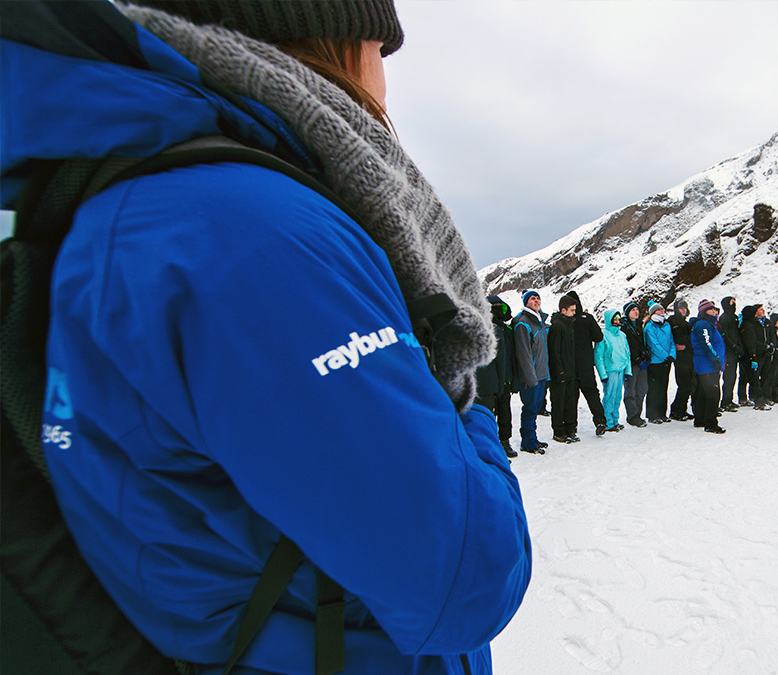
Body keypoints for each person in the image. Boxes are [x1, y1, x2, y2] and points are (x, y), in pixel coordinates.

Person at [7, 1, 532, 672]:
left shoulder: (161, 207)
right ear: (330, 36)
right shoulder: (250, 234)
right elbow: (463, 580)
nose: (384, 78)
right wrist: (470, 419)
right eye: (379, 45)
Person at [477, 295, 519, 457]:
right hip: (491, 381)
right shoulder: (485, 329)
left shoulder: (508, 330)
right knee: (489, 413)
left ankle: (505, 441)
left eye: (498, 306)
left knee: (505, 411)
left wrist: (514, 379)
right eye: (492, 306)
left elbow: (513, 357)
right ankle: (491, 443)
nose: (496, 308)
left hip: (506, 377)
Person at [567, 291, 609, 436]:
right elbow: (598, 336)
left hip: (570, 364)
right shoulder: (587, 318)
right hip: (585, 363)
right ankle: (600, 421)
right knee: (592, 393)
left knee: (572, 396)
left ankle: (571, 428)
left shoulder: (564, 320)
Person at [514, 291, 551, 453]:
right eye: (532, 298)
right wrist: (530, 377)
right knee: (529, 408)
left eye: (538, 298)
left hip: (541, 374)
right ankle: (528, 443)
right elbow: (524, 354)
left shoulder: (539, 322)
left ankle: (532, 438)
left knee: (535, 408)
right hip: (531, 377)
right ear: (526, 303)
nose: (536, 300)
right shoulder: (523, 323)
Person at [548, 295, 582, 444]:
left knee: (570, 401)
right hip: (560, 373)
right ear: (563, 310)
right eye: (572, 310)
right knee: (559, 402)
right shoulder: (557, 326)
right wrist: (559, 371)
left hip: (570, 371)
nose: (574, 313)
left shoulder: (569, 325)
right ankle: (559, 431)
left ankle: (571, 429)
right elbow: (554, 351)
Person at [690, 300, 727, 433]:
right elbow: (706, 344)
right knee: (713, 394)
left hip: (708, 364)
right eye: (711, 309)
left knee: (703, 393)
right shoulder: (703, 324)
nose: (715, 311)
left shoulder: (709, 324)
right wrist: (715, 359)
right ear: (704, 312)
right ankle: (711, 423)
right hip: (707, 365)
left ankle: (700, 419)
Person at [595, 309, 632, 432]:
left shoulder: (622, 335)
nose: (617, 321)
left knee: (617, 396)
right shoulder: (603, 334)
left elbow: (627, 354)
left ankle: (615, 420)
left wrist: (628, 370)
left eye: (618, 319)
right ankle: (608, 422)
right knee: (609, 396)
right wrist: (603, 374)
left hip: (620, 369)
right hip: (610, 370)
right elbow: (598, 356)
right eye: (614, 319)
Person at [644, 302, 675, 423]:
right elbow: (653, 344)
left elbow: (672, 341)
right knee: (654, 388)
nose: (662, 311)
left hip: (666, 361)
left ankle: (662, 413)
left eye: (662, 309)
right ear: (653, 313)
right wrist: (665, 356)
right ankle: (652, 415)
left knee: (663, 387)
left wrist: (672, 355)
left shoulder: (666, 325)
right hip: (655, 361)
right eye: (658, 310)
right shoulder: (649, 327)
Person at [621, 302, 650, 427]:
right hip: (631, 363)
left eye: (637, 309)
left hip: (641, 362)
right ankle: (632, 416)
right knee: (630, 390)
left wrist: (646, 355)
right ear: (627, 313)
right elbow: (626, 346)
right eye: (633, 310)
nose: (636, 311)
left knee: (642, 389)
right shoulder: (623, 326)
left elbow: (643, 343)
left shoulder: (640, 325)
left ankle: (638, 413)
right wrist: (636, 358)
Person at [668, 299, 695, 421]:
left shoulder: (686, 323)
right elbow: (679, 338)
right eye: (681, 308)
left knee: (688, 385)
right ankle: (676, 410)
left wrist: (688, 342)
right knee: (684, 385)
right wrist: (690, 341)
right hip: (681, 359)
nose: (683, 310)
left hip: (688, 357)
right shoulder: (673, 321)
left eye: (685, 308)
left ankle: (682, 409)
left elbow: (688, 340)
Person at [739, 304, 769, 408]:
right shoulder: (748, 326)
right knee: (754, 379)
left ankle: (745, 398)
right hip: (749, 355)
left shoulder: (747, 324)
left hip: (747, 355)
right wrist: (753, 357)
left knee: (749, 378)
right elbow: (750, 343)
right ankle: (759, 402)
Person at [717, 296, 743, 411]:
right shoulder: (724, 318)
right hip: (728, 351)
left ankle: (730, 399)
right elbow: (725, 335)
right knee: (728, 377)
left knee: (733, 376)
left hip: (735, 351)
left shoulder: (734, 317)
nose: (734, 305)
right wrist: (733, 346)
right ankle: (725, 401)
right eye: (731, 303)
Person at [763, 313, 778, 403]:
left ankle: (776, 394)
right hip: (774, 357)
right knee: (771, 377)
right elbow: (773, 343)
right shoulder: (771, 330)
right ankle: (769, 395)